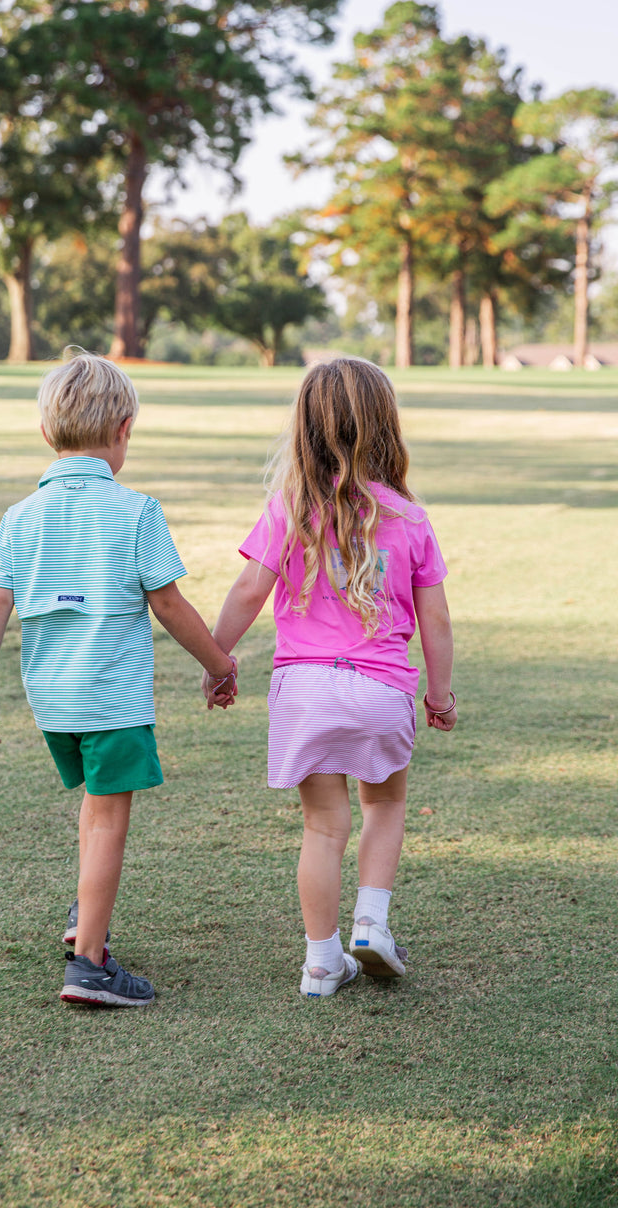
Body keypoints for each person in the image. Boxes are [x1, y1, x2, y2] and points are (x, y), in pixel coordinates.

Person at [0, 350, 237, 1008]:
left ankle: (85, 914)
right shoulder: (135, 509)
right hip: (110, 694)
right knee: (111, 819)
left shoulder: (19, 516)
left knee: (94, 807)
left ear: (45, 435)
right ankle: (90, 965)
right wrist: (220, 664)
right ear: (124, 429)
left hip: (52, 699)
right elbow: (169, 604)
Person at [202, 356, 456, 998]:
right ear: (386, 428)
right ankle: (370, 924)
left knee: (322, 827)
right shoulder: (410, 518)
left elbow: (247, 589)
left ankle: (321, 961)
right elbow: (437, 623)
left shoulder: (289, 508)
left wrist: (219, 661)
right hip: (381, 690)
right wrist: (441, 695)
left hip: (304, 689)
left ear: (307, 430)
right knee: (386, 802)